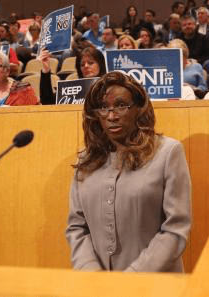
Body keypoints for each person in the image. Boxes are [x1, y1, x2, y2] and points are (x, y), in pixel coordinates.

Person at [65, 71, 192, 272]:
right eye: (103, 108)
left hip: (156, 287)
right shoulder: (85, 159)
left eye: (121, 105)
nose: (111, 116)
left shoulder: (168, 153)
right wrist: (93, 275)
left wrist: (131, 279)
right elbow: (76, 228)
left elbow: (176, 228)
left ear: (139, 109)